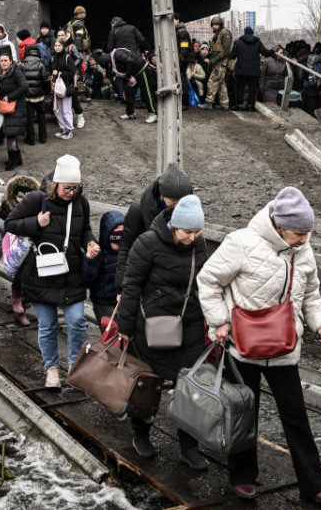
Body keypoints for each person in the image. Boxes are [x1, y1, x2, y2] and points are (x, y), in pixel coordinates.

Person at [197, 187, 321, 505]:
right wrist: (219, 321)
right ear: (278, 224)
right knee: (244, 412)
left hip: (285, 347)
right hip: (242, 346)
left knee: (296, 416)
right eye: (298, 233)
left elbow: (311, 296)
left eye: (307, 232)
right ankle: (243, 476)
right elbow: (207, 281)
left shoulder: (304, 252)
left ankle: (313, 485)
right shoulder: (241, 243)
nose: (304, 239)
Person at [115, 195, 209, 470]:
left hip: (189, 324)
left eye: (197, 232)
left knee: (190, 388)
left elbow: (206, 282)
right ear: (173, 226)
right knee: (146, 385)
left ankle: (189, 446)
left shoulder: (198, 245)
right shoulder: (147, 243)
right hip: (150, 326)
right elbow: (131, 286)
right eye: (188, 231)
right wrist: (125, 327)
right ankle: (141, 435)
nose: (193, 237)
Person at [4, 155, 99, 389]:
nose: (71, 193)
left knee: (77, 321)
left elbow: (85, 228)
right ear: (56, 184)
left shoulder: (81, 202)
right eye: (67, 188)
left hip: (71, 272)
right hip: (41, 273)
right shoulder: (37, 199)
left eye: (75, 188)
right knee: (47, 326)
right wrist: (36, 222)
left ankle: (76, 368)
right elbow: (10, 223)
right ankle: (52, 369)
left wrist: (90, 243)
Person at [115, 162, 193, 291]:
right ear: (162, 195)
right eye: (173, 201)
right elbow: (126, 248)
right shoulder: (138, 211)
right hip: (148, 281)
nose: (177, 206)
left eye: (182, 201)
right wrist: (121, 287)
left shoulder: (191, 211)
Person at [0, 174, 40, 327]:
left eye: (27, 196)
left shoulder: (36, 208)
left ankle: (25, 298)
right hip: (15, 246)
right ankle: (17, 299)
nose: (23, 199)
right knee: (20, 272)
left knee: (32, 272)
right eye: (20, 195)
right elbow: (6, 225)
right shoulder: (7, 206)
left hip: (33, 244)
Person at [83, 210, 124, 325]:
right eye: (117, 244)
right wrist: (89, 259)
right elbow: (87, 279)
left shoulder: (128, 253)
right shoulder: (99, 254)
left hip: (122, 301)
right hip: (103, 303)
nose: (121, 246)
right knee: (110, 332)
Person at [0, 49, 29, 170]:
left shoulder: (16, 72)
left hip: (15, 107)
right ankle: (17, 159)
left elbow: (24, 86)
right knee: (10, 133)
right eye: (1, 61)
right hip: (7, 106)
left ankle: (12, 160)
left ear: (10, 61)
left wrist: (10, 96)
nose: (3, 63)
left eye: (5, 60)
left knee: (10, 134)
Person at [230, 26, 274, 111]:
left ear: (245, 33)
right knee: (252, 89)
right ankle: (250, 106)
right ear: (252, 33)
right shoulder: (258, 43)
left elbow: (232, 56)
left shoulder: (238, 42)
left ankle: (239, 105)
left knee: (240, 89)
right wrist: (273, 50)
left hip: (241, 70)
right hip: (254, 71)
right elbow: (266, 53)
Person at [109, 48, 157, 123]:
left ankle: (153, 114)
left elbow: (130, 61)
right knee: (128, 90)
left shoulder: (117, 54)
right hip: (136, 73)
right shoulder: (117, 55)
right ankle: (130, 113)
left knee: (146, 92)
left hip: (142, 69)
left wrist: (128, 75)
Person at [199, 16, 234, 110]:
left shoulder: (225, 34)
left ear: (220, 25)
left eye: (216, 24)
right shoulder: (218, 34)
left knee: (212, 82)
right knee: (221, 84)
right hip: (218, 62)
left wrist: (214, 60)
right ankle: (224, 104)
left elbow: (226, 51)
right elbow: (216, 49)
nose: (214, 26)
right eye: (213, 25)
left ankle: (209, 102)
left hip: (221, 63)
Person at [20, 45, 50, 145]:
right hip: (39, 96)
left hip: (27, 97)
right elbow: (46, 80)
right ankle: (43, 138)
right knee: (41, 116)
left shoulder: (22, 65)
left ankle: (30, 139)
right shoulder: (41, 64)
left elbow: (20, 82)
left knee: (29, 118)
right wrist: (47, 91)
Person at [49, 38, 77, 140]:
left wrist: (60, 73)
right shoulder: (53, 57)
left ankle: (69, 130)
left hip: (66, 87)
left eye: (59, 46)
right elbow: (50, 70)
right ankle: (63, 129)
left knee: (66, 109)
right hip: (56, 87)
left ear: (63, 46)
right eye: (55, 46)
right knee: (57, 110)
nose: (57, 47)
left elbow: (72, 72)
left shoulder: (67, 57)